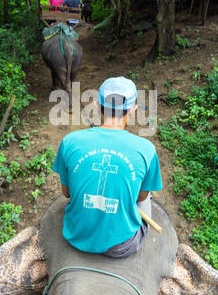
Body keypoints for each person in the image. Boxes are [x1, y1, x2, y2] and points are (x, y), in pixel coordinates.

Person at [52, 76, 163, 257]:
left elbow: (67, 193)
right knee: (146, 194)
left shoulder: (70, 141)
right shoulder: (147, 150)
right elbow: (140, 197)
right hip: (121, 246)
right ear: (134, 110)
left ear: (97, 106)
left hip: (76, 235)